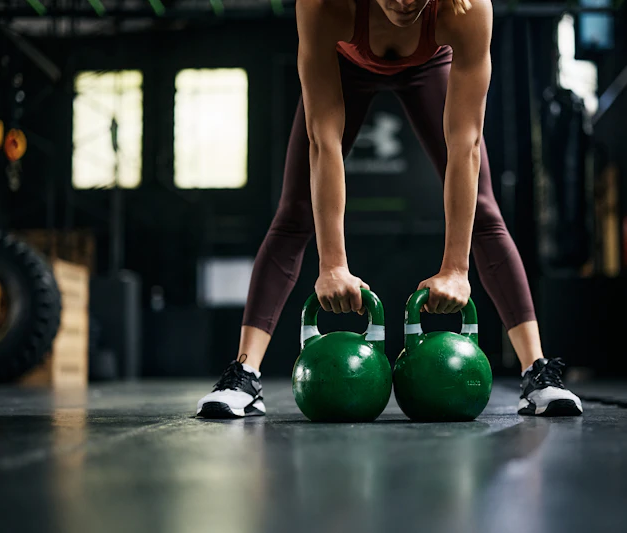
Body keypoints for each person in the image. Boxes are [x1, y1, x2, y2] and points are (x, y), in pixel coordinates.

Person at [197, 0, 582, 418]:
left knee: (485, 213)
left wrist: (455, 269)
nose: (404, 2)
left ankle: (537, 371)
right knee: (294, 213)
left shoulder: (466, 10)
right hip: (347, 63)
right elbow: (323, 142)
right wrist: (332, 266)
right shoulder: (324, 6)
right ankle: (245, 374)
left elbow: (465, 146)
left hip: (430, 65)